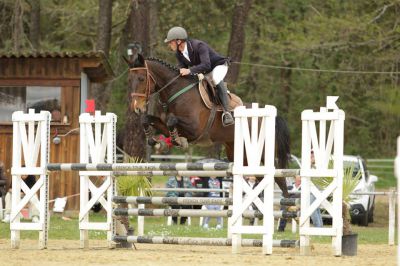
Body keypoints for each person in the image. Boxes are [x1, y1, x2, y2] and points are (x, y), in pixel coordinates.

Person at [164, 26, 234, 127]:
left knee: (216, 78)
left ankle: (227, 113)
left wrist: (189, 70)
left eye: (171, 42)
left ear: (178, 41)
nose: (169, 44)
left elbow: (206, 64)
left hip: (218, 66)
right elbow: (182, 69)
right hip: (205, 71)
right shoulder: (179, 54)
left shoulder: (199, 46)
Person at [278, 150, 323, 231]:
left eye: (312, 156)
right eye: (310, 156)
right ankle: (320, 228)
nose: (311, 158)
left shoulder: (318, 165)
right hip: (313, 190)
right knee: (315, 209)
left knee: (311, 209)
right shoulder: (311, 166)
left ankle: (318, 229)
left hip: (316, 189)